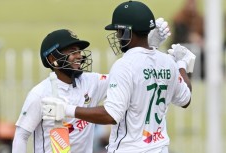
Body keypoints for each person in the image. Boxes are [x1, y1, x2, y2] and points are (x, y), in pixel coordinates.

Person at [42, 1, 194, 153]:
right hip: (160, 148)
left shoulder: (124, 65)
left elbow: (111, 115)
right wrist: (182, 65)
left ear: (127, 32)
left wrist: (67, 109)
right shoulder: (167, 62)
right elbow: (186, 98)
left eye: (118, 31)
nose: (117, 36)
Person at [12, 23, 171, 153]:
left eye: (79, 51)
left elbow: (129, 78)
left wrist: (147, 47)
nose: (79, 56)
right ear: (53, 58)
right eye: (72, 51)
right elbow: (21, 135)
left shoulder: (91, 81)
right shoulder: (40, 94)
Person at [170, 0, 205, 79]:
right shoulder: (179, 19)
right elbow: (178, 37)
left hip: (198, 52)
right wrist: (190, 37)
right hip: (181, 49)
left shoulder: (199, 19)